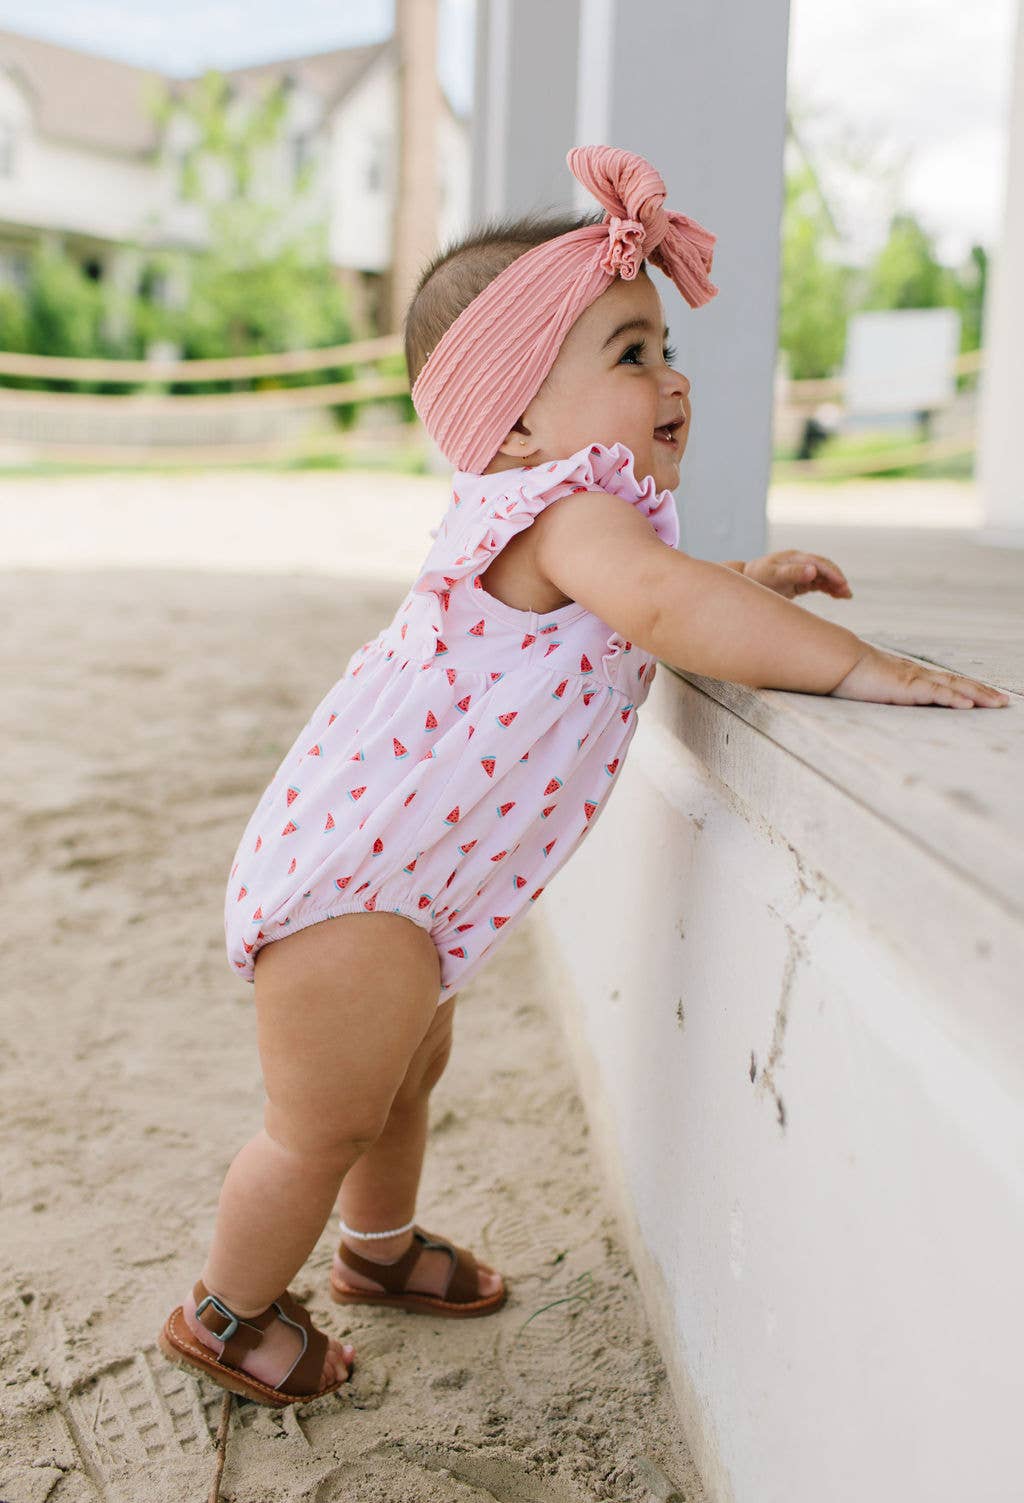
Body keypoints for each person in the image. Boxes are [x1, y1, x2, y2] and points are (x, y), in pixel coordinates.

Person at [158, 145, 1009, 1408]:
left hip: (404, 880)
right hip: (354, 883)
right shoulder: (565, 512)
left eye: (664, 349)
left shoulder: (573, 515)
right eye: (627, 355)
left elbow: (660, 593)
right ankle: (226, 1311)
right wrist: (856, 668)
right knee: (321, 1120)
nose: (670, 379)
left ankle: (376, 1251)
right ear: (512, 424)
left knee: (404, 1078)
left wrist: (741, 585)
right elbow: (660, 605)